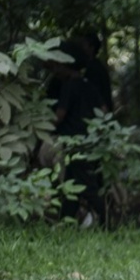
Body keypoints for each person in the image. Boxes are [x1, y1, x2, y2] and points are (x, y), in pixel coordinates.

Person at [46, 40, 107, 227]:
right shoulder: (87, 84)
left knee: (86, 185)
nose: (55, 69)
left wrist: (43, 127)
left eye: (58, 64)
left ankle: (105, 220)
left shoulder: (69, 86)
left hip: (73, 141)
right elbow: (104, 109)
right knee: (72, 183)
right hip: (88, 140)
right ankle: (67, 221)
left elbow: (60, 115)